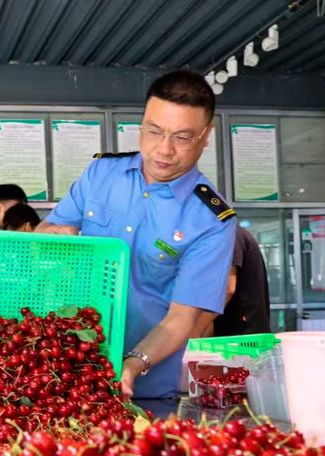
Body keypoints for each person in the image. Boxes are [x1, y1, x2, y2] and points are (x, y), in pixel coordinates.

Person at [37, 70, 236, 409]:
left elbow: (182, 318)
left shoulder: (212, 221)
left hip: (147, 387)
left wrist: (133, 363)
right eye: (154, 131)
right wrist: (53, 237)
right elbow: (46, 235)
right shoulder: (100, 174)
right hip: (68, 369)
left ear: (206, 136)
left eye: (183, 137)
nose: (164, 150)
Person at [211, 225, 271, 336]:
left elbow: (228, 289)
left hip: (243, 335)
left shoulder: (228, 235)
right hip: (231, 332)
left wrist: (197, 327)